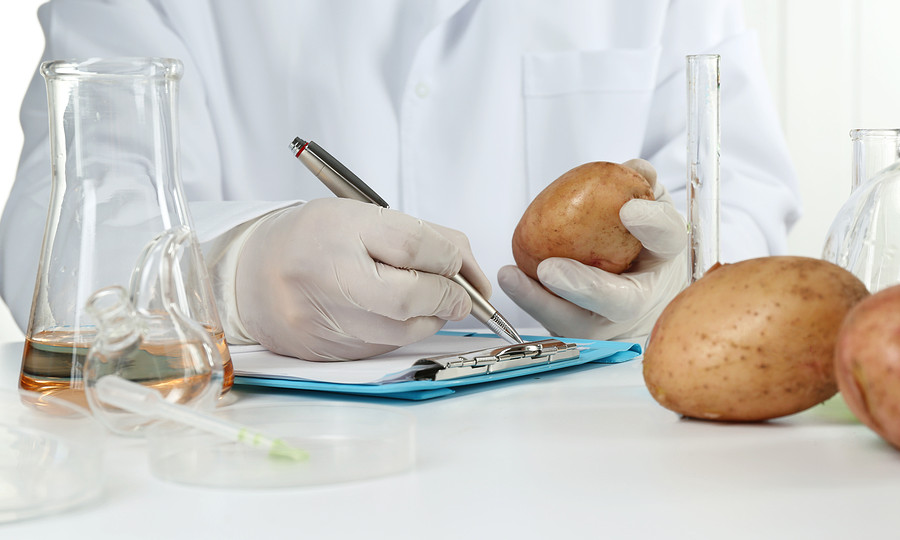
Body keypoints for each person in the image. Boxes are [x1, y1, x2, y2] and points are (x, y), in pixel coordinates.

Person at [0, 0, 800, 361]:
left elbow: (750, 180)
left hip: (591, 462)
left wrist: (686, 273)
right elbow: (53, 231)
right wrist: (233, 271)